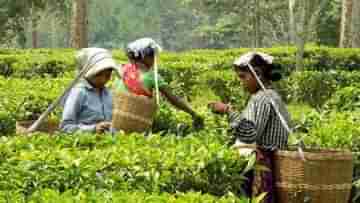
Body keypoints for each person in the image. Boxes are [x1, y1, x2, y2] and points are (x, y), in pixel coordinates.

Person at [208, 52, 291, 203]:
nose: (241, 82)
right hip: (270, 159)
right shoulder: (270, 95)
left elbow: (250, 134)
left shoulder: (262, 98)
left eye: (243, 77)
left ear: (257, 74)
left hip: (262, 162)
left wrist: (228, 111)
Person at [114, 38, 203, 130]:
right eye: (152, 55)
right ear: (144, 57)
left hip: (116, 118)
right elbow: (172, 98)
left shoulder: (123, 69)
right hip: (137, 121)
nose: (154, 58)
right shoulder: (151, 75)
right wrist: (193, 113)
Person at [60, 48, 119, 134]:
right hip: (87, 144)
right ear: (87, 72)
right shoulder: (78, 93)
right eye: (98, 75)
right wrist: (93, 129)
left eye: (107, 76)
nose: (103, 80)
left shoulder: (108, 93)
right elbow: (65, 127)